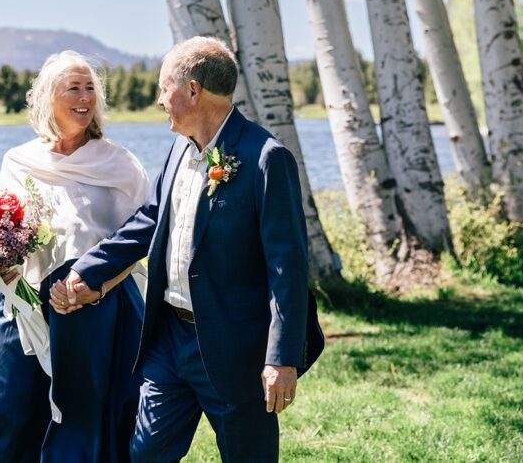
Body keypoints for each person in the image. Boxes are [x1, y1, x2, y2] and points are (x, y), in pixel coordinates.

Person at [51, 36, 322, 462]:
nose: (160, 99)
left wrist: (282, 358)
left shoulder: (266, 157)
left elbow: (287, 267)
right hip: (169, 340)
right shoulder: (179, 148)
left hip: (235, 346)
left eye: (165, 88)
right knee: (145, 455)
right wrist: (89, 269)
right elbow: (150, 221)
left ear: (192, 90)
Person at [0, 51, 150, 463]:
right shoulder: (19, 161)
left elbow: (139, 239)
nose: (85, 97)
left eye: (90, 88)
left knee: (88, 424)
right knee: (0, 419)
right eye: (74, 88)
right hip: (25, 308)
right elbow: (0, 235)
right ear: (49, 97)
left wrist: (96, 287)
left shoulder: (120, 164)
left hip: (101, 310)